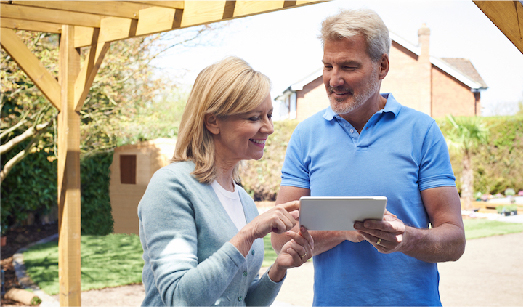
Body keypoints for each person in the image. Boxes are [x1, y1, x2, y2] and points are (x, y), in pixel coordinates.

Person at [271, 9, 466, 307]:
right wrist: (342, 231)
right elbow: (281, 239)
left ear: (382, 65)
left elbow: (454, 240)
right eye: (328, 66)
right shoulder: (306, 136)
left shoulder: (422, 131)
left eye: (348, 67)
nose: (334, 80)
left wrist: (406, 239)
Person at [138, 56, 314, 307]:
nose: (269, 128)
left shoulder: (241, 198)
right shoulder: (171, 186)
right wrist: (249, 233)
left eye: (269, 116)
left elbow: (240, 300)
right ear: (212, 121)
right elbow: (180, 298)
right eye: (254, 118)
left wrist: (277, 269)